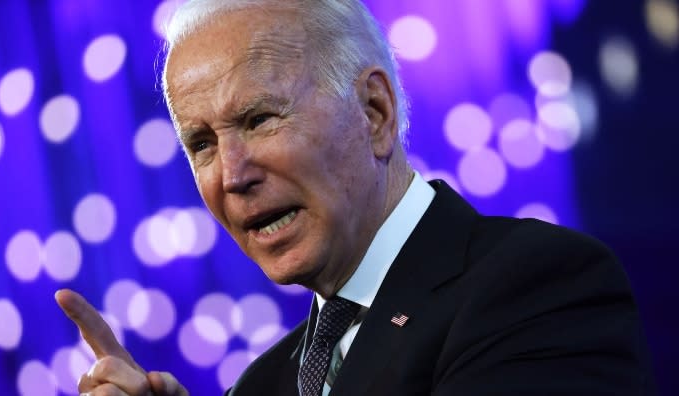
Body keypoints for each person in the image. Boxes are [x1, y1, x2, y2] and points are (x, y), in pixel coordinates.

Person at [55, 0, 655, 394]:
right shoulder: (260, 386)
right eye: (202, 143)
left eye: (261, 118)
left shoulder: (538, 286)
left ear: (374, 112)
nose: (232, 174)